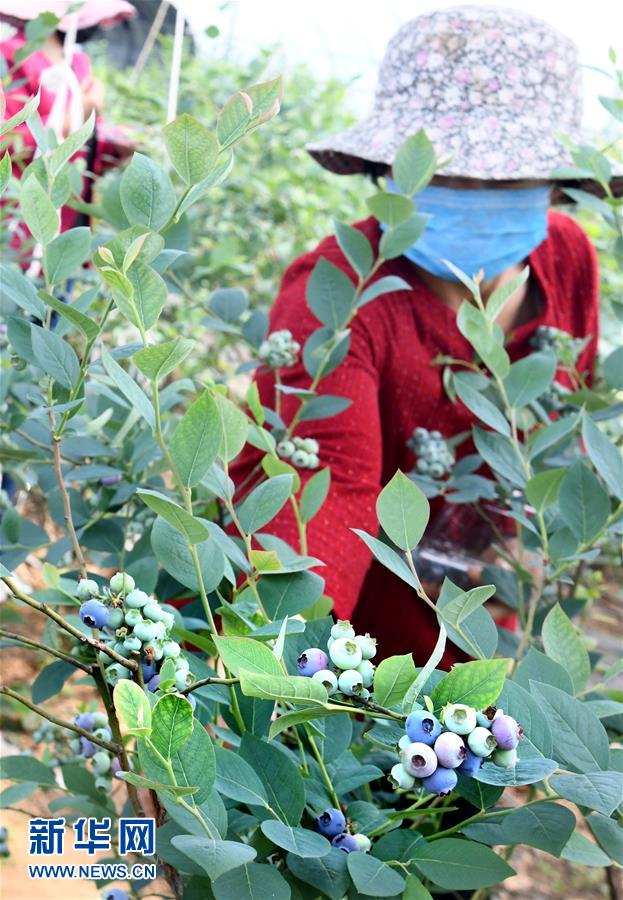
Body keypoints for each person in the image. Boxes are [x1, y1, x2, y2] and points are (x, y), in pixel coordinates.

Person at [230, 6, 618, 666]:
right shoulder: (340, 295)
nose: (476, 187)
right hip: (357, 628)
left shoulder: (566, 259)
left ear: (555, 184)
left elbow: (560, 424)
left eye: (505, 176)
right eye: (444, 172)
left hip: (479, 610)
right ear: (391, 174)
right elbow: (319, 494)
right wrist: (282, 664)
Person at [0, 0, 136, 238]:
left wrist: (114, 146)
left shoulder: (78, 63)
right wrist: (77, 112)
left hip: (70, 212)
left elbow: (82, 142)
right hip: (20, 218)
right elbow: (8, 144)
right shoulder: (8, 57)